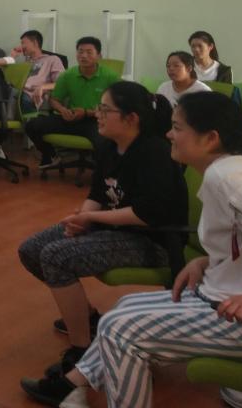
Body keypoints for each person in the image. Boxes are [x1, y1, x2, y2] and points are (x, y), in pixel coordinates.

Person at [21, 91, 242, 408]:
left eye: (177, 128)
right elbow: (240, 241)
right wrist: (206, 262)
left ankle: (74, 386)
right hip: (219, 295)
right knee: (123, 308)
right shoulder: (223, 172)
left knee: (120, 329)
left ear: (211, 138)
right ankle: (72, 387)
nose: (169, 134)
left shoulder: (229, 180)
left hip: (236, 315)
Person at [17, 82, 186, 393]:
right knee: (31, 249)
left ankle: (81, 353)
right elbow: (98, 192)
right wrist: (82, 218)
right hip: (114, 226)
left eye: (106, 110)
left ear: (131, 118)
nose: (98, 114)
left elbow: (147, 215)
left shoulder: (154, 153)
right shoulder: (109, 145)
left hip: (153, 240)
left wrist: (90, 219)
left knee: (56, 255)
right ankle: (89, 319)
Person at [25, 37, 119, 168]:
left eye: (89, 52)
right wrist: (63, 110)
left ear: (99, 56)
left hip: (96, 121)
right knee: (32, 126)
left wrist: (86, 113)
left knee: (104, 143)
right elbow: (54, 99)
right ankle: (51, 156)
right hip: (71, 118)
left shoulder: (110, 76)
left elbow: (116, 107)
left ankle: (103, 172)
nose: (83, 56)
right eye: (80, 52)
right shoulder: (68, 75)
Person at [14, 30, 65, 113]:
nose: (21, 46)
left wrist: (42, 87)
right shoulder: (25, 63)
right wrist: (12, 57)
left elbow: (61, 83)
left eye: (23, 43)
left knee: (16, 96)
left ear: (35, 43)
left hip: (32, 96)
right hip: (18, 93)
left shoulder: (52, 59)